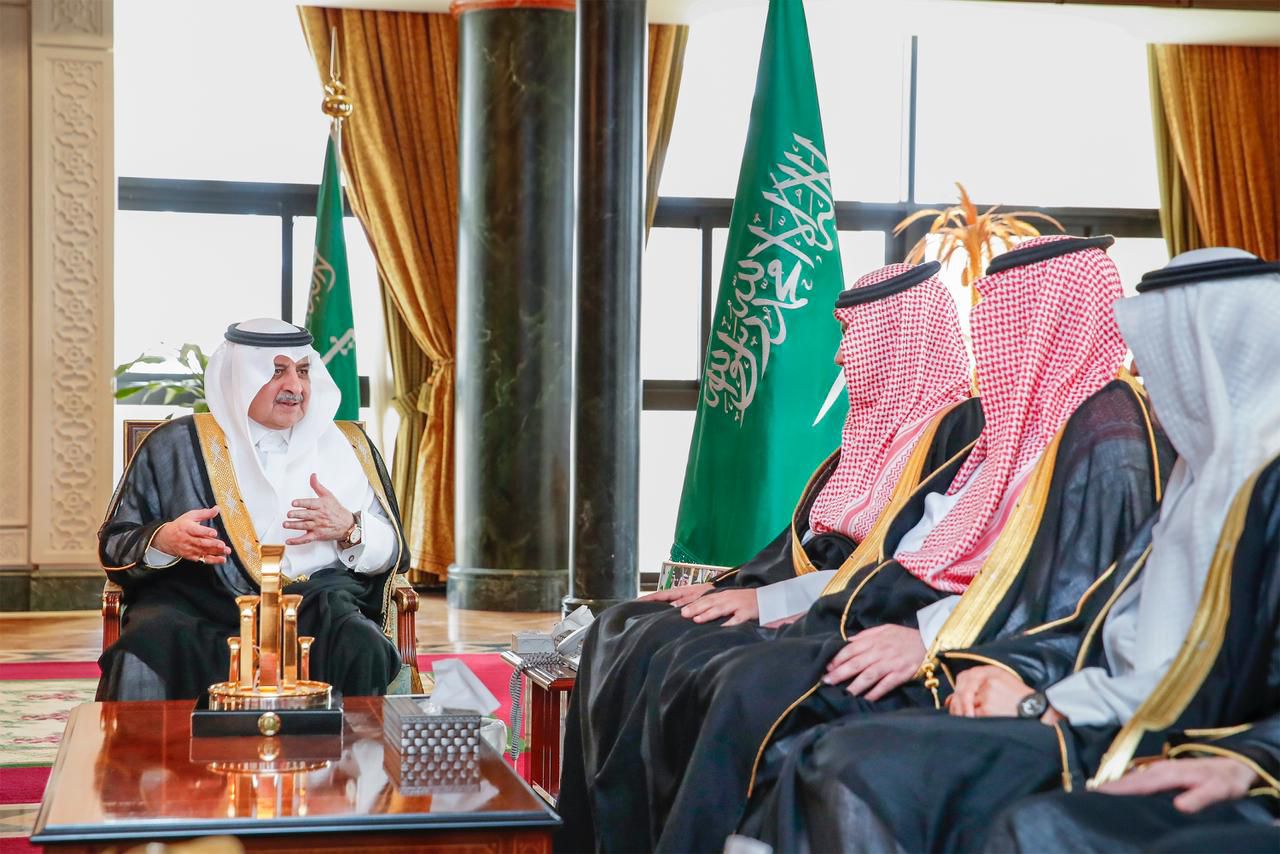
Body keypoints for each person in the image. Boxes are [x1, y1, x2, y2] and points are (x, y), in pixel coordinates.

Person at [639, 235, 1171, 853]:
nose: (985, 340)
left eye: (1002, 317)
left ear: (1053, 323)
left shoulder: (1106, 437)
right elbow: (903, 551)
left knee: (756, 692)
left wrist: (930, 638)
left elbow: (1065, 599)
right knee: (684, 655)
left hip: (981, 656)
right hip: (891, 618)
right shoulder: (1012, 436)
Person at [746, 248, 1280, 854]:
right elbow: (1095, 618)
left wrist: (1010, 684)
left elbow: (1068, 602)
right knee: (808, 730)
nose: (1142, 369)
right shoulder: (1196, 474)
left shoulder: (1114, 434)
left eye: (1163, 353)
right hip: (1053, 687)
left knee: (841, 751)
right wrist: (1014, 679)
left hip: (1138, 727)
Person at [556, 261, 985, 852]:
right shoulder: (871, 430)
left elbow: (897, 565)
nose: (840, 357)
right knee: (623, 625)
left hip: (852, 606)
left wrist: (765, 600)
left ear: (903, 339)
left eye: (851, 335)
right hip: (813, 589)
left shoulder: (956, 434)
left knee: (688, 658)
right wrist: (727, 587)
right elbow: (804, 541)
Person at [97, 318, 406, 700]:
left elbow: (395, 553)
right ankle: (158, 744)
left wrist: (350, 528)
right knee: (144, 645)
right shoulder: (175, 445)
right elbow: (116, 543)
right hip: (200, 602)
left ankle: (345, 743)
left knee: (361, 643)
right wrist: (164, 540)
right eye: (277, 372)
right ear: (240, 378)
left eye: (303, 371)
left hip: (316, 606)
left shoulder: (349, 447)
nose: (295, 386)